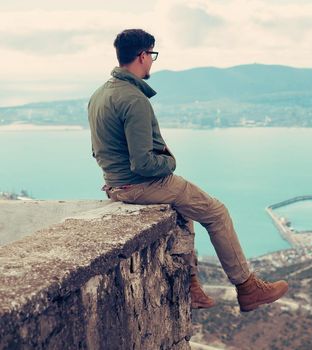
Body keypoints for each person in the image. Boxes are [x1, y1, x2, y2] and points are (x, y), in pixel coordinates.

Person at [87, 28, 288, 312]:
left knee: (187, 210)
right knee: (217, 212)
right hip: (141, 185)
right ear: (143, 56)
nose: (152, 62)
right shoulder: (134, 100)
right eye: (152, 55)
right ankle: (247, 287)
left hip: (116, 185)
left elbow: (100, 150)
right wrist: (170, 162)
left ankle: (192, 286)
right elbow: (143, 163)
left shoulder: (99, 95)